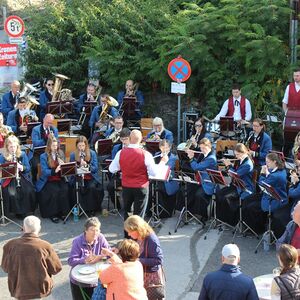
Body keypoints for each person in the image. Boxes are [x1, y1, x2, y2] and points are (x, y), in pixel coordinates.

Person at [1, 215, 62, 300]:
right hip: (40, 291)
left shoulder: (10, 245)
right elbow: (56, 269)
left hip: (19, 290)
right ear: (39, 228)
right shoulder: (45, 246)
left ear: (23, 228)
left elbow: (5, 268)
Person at [109, 130, 162, 220]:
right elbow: (154, 173)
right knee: (139, 216)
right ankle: (137, 233)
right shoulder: (146, 154)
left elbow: (111, 169)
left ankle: (127, 234)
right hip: (141, 187)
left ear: (129, 138)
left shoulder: (120, 153)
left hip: (126, 186)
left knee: (128, 214)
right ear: (141, 140)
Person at [243, 152, 288, 234]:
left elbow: (261, 183)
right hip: (268, 193)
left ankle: (256, 229)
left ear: (274, 162)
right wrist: (267, 172)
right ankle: (248, 224)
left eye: (267, 162)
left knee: (251, 207)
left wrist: (263, 173)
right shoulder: (280, 169)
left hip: (275, 199)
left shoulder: (276, 175)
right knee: (247, 200)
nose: (265, 164)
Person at [68, 217, 110, 300]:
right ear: (85, 230)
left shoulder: (101, 237)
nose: (95, 233)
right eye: (92, 230)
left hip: (96, 281)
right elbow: (71, 261)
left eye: (97, 230)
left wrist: (100, 257)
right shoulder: (77, 241)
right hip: (80, 282)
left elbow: (109, 254)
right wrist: (84, 259)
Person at [124, 215, 164, 300]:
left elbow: (159, 259)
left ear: (137, 229)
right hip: (143, 274)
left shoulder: (151, 239)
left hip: (151, 278)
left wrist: (139, 260)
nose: (128, 234)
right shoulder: (139, 236)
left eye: (130, 231)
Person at [216, 143, 255, 226]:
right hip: (237, 184)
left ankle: (230, 221)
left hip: (244, 187)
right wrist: (232, 165)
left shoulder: (247, 164)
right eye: (235, 154)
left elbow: (236, 174)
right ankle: (221, 218)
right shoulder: (241, 159)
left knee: (226, 198)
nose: (236, 156)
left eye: (238, 154)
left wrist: (229, 165)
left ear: (244, 152)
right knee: (219, 194)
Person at [0, 135, 36, 219]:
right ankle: (15, 212)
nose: (13, 149)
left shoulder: (22, 154)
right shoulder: (2, 156)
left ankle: (23, 211)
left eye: (14, 146)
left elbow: (28, 168)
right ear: (7, 147)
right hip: (8, 179)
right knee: (11, 193)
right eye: (11, 147)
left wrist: (22, 167)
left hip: (21, 177)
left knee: (27, 190)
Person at [35, 137, 70, 223]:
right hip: (49, 179)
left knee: (64, 189)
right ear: (49, 146)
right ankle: (53, 213)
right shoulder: (43, 156)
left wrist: (63, 165)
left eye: (56, 145)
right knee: (54, 191)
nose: (55, 147)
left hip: (60, 177)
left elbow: (66, 169)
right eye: (53, 146)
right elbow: (44, 171)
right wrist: (55, 170)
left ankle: (62, 212)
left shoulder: (60, 153)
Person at [69, 135, 104, 215]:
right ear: (77, 145)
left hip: (90, 177)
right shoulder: (73, 154)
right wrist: (77, 166)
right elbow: (71, 169)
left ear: (86, 145)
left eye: (83, 145)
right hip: (78, 177)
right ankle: (79, 209)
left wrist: (87, 166)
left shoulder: (92, 153)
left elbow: (95, 168)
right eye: (79, 145)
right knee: (76, 187)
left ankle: (91, 209)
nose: (81, 147)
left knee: (91, 187)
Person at [186, 138, 217, 222]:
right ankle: (189, 211)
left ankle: (204, 215)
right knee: (187, 190)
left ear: (209, 146)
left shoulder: (211, 158)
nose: (202, 150)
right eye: (201, 148)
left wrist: (191, 158)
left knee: (199, 195)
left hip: (208, 183)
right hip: (201, 180)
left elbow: (197, 167)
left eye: (204, 148)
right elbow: (199, 164)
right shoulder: (203, 154)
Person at [153, 139, 179, 218]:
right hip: (156, 178)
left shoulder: (173, 157)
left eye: (167, 147)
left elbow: (167, 168)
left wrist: (163, 161)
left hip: (168, 180)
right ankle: (152, 211)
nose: (165, 149)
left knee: (159, 189)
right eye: (163, 147)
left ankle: (163, 213)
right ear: (160, 147)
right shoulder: (156, 154)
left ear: (170, 147)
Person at [107, 127, 131, 210]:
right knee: (110, 187)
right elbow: (114, 163)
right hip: (119, 174)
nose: (124, 142)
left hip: (130, 175)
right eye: (122, 139)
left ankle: (129, 207)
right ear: (120, 139)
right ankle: (117, 206)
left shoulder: (134, 147)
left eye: (126, 139)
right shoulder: (116, 148)